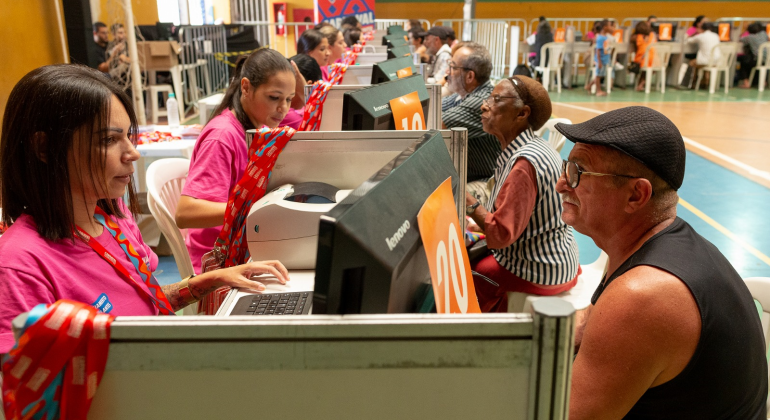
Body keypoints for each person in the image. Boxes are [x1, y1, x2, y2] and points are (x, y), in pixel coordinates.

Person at [0, 64, 290, 353]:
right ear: (44, 149)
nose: (133, 153)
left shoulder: (113, 221)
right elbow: (23, 386)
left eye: (128, 136)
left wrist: (212, 279)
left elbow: (143, 303)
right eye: (108, 140)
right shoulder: (20, 266)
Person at [554, 106, 767, 419]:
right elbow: (592, 318)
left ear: (636, 195)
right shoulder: (658, 248)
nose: (562, 184)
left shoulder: (643, 294)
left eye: (577, 172)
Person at [175, 49, 300, 273]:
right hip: (218, 259)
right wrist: (254, 207)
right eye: (274, 98)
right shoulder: (222, 138)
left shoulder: (257, 128)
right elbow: (186, 214)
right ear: (246, 87)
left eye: (289, 99)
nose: (283, 108)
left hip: (245, 243)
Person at [465, 75, 579, 312]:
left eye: (496, 99)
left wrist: (467, 201)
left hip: (540, 269)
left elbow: (503, 233)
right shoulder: (529, 148)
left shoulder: (524, 164)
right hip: (560, 259)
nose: (484, 105)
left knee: (465, 272)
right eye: (489, 97)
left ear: (522, 113)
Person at [441, 42, 500, 205]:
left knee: (444, 201)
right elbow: (431, 112)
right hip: (471, 176)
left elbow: (436, 124)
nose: (447, 72)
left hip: (488, 182)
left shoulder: (481, 102)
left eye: (452, 67)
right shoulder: (462, 96)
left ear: (469, 76)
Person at [686, 22, 720, 87]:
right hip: (716, 61)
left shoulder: (701, 36)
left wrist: (695, 33)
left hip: (705, 61)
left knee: (691, 63)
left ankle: (690, 84)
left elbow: (688, 40)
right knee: (703, 64)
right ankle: (704, 83)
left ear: (701, 29)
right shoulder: (716, 35)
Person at [738, 22, 769, 88]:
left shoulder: (750, 37)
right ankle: (764, 81)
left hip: (758, 60)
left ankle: (746, 83)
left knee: (743, 61)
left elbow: (740, 39)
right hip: (768, 60)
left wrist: (745, 30)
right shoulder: (764, 34)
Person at [588, 19, 612, 97]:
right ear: (605, 27)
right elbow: (598, 50)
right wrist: (599, 61)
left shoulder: (605, 37)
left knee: (600, 75)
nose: (611, 27)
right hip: (600, 60)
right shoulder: (600, 38)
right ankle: (598, 91)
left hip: (605, 59)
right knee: (598, 76)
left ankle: (589, 86)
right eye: (609, 25)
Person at [631, 21, 655, 91]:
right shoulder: (652, 36)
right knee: (650, 68)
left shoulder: (637, 37)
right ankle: (643, 82)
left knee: (644, 67)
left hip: (641, 60)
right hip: (653, 60)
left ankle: (641, 82)